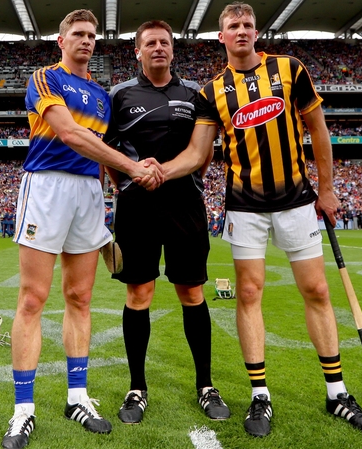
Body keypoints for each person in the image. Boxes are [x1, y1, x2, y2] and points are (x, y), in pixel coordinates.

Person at [147, 2, 362, 438]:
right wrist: (158, 169)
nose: (241, 31)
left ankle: (336, 393)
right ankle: (260, 395)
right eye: (233, 26)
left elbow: (318, 129)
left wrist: (327, 189)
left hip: (296, 200)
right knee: (250, 292)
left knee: (315, 289)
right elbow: (198, 154)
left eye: (247, 25)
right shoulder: (212, 90)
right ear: (221, 37)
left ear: (257, 32)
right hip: (244, 205)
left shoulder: (290, 70)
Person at [1, 9, 163, 449]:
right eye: (78, 34)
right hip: (47, 188)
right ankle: (23, 411)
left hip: (90, 194)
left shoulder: (102, 95)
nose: (87, 40)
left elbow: (103, 151)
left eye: (92, 35)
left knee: (80, 297)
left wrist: (125, 186)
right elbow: (70, 134)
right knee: (33, 298)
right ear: (61, 39)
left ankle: (77, 397)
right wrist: (133, 167)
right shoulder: (44, 78)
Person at [103, 19, 229, 426]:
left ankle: (205, 385)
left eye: (165, 42)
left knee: (191, 292)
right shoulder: (118, 94)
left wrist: (160, 172)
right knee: (138, 293)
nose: (159, 48)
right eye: (150, 43)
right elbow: (107, 153)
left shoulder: (195, 94)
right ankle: (136, 387)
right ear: (137, 51)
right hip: (137, 207)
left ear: (173, 49)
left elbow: (202, 152)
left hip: (184, 203)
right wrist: (134, 178)